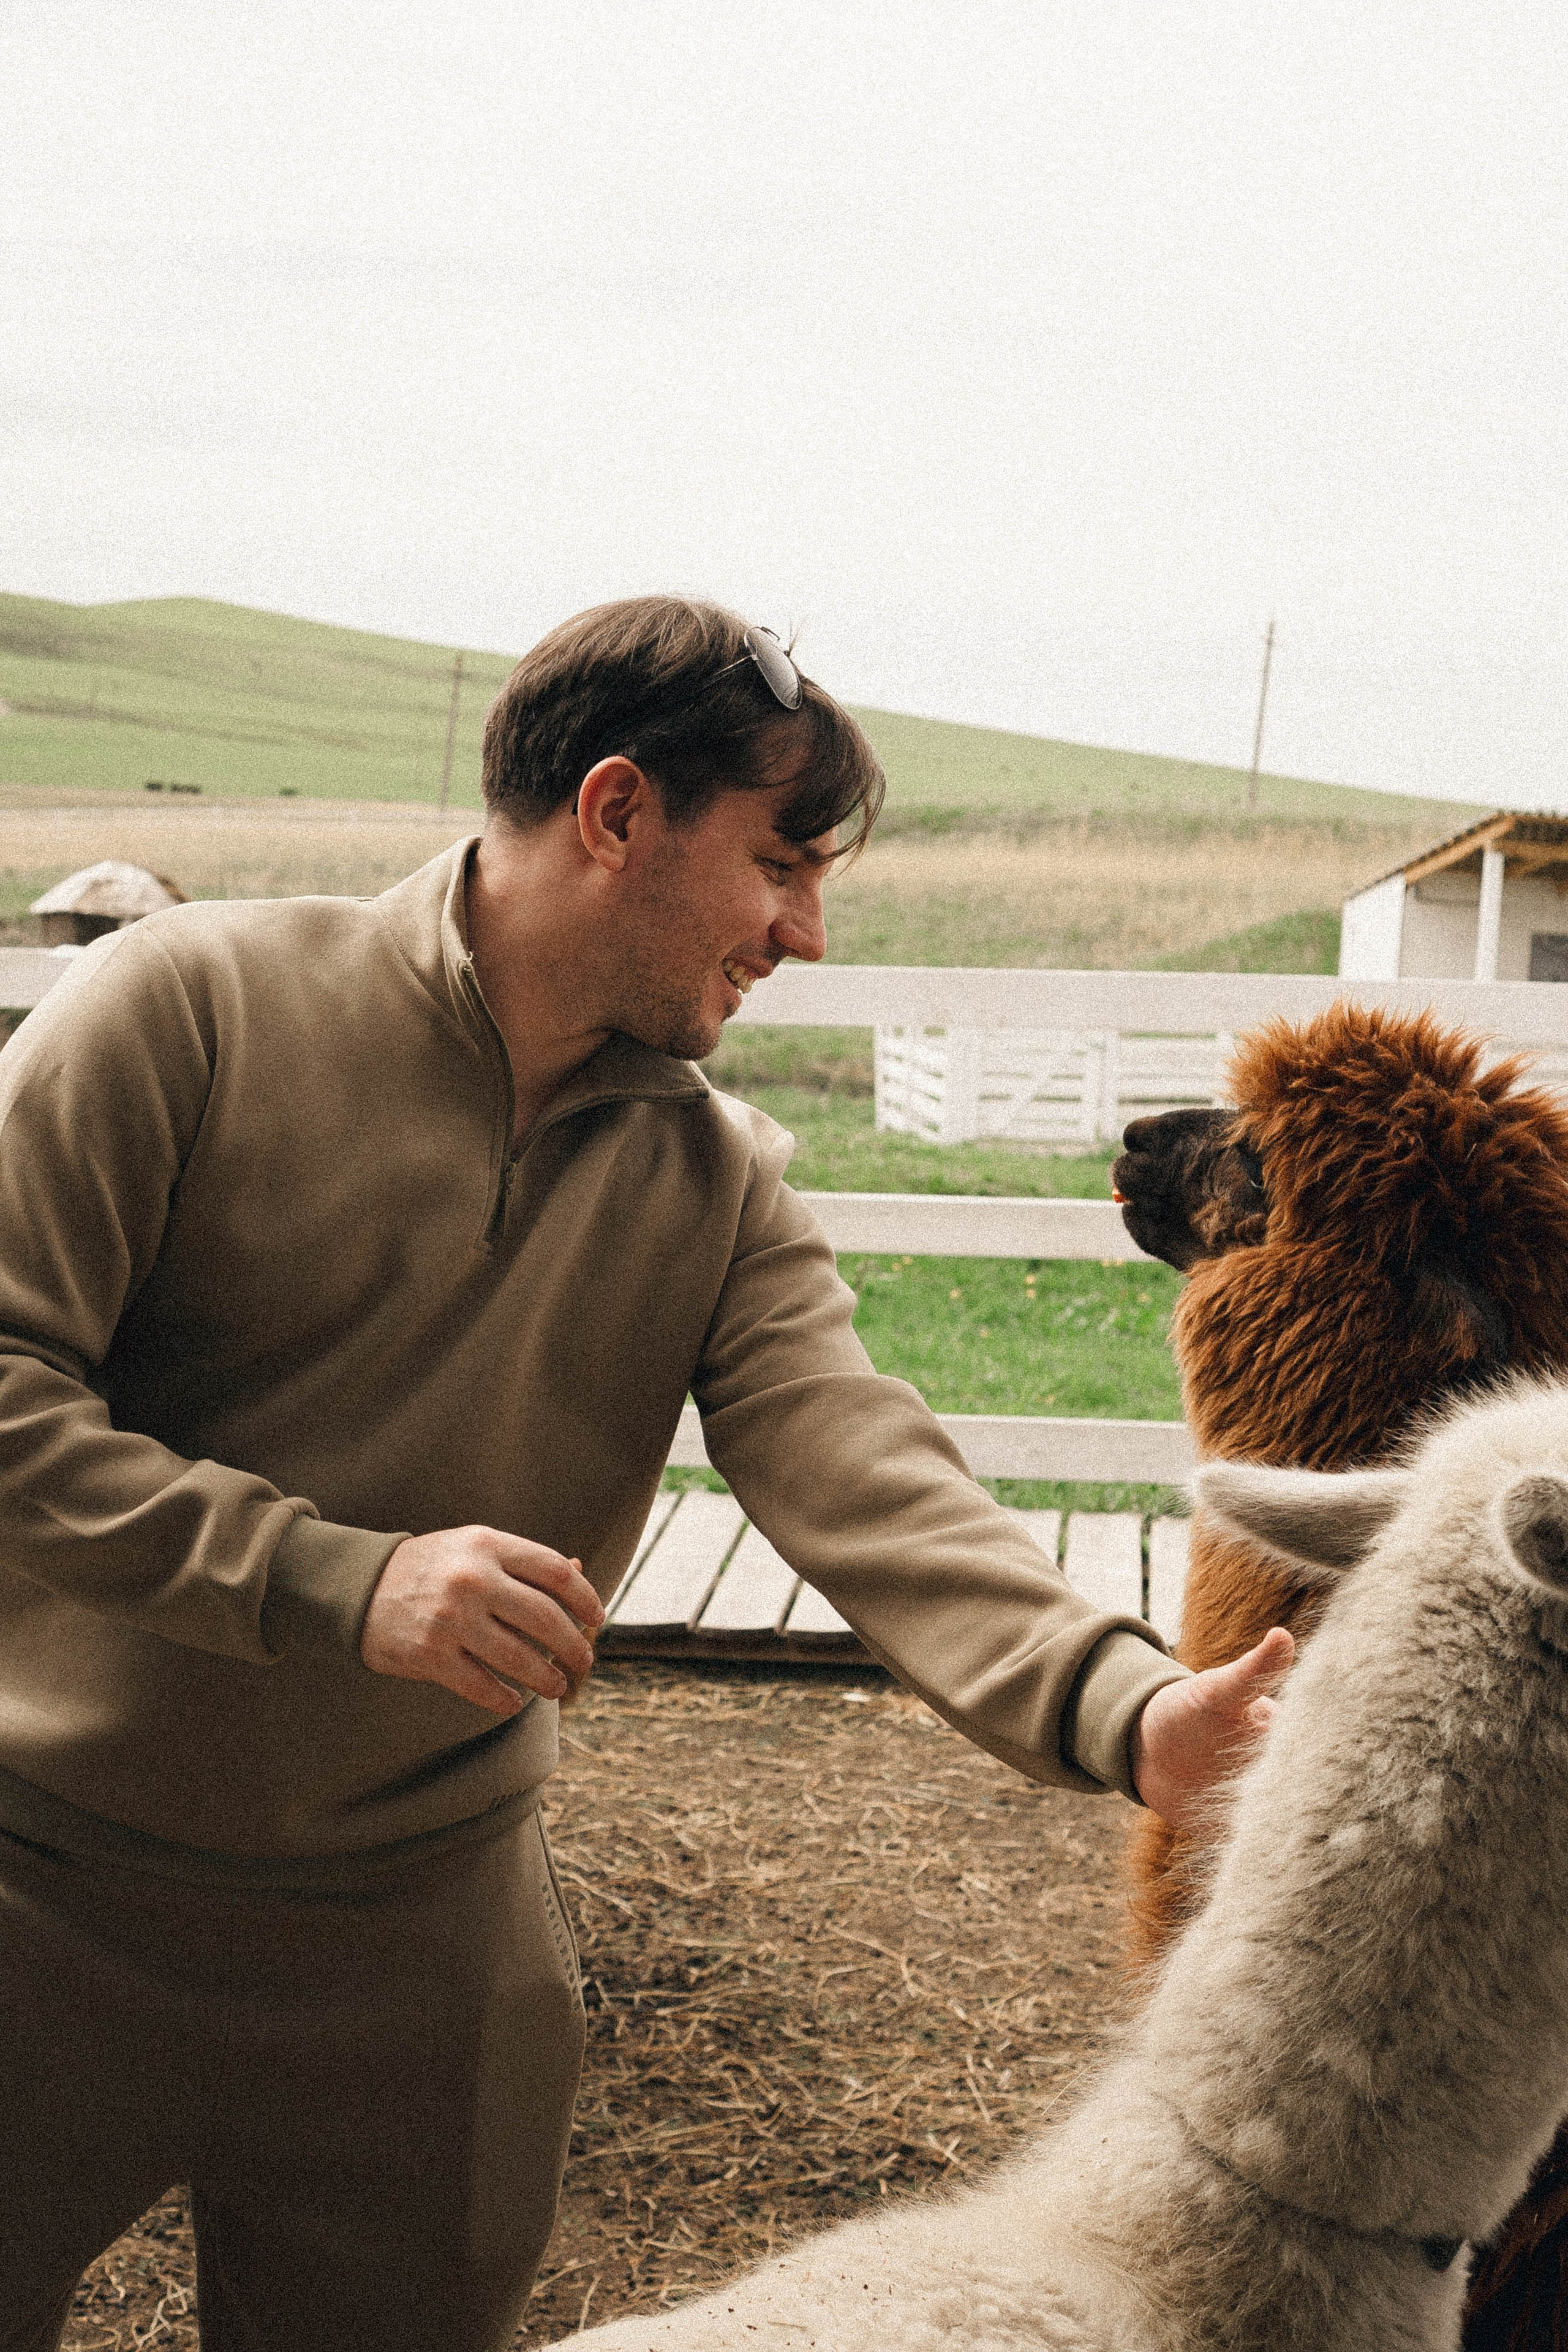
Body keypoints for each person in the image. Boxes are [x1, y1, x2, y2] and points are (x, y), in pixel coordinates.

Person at [0, 596, 1291, 2352]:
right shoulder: (186, 1007)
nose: (808, 933)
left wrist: (1126, 1709)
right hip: (42, 1889)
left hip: (424, 1954)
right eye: (781, 861)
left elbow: (857, 1457)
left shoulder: (720, 1180)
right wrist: (336, 1579)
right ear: (617, 815)